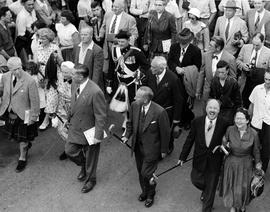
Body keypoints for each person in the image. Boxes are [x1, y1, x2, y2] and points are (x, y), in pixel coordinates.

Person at [178, 99, 230, 212]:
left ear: (219, 110)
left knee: (211, 188)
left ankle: (207, 206)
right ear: (206, 108)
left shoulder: (225, 123)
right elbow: (189, 140)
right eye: (210, 107)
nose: (212, 110)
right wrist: (182, 156)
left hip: (215, 161)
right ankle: (206, 191)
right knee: (195, 179)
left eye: (215, 108)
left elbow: (230, 137)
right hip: (199, 159)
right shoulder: (197, 122)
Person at [122, 86, 170, 208]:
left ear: (145, 99)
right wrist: (127, 135)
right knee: (140, 172)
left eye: (137, 96)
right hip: (138, 147)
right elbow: (130, 123)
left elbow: (165, 133)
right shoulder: (134, 105)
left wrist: (164, 150)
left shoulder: (160, 112)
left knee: (146, 173)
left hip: (152, 150)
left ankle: (151, 194)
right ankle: (144, 191)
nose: (134, 97)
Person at [65, 64, 106, 193]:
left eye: (73, 74)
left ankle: (90, 180)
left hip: (90, 129)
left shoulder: (95, 91)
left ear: (81, 76)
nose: (70, 76)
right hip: (75, 126)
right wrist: (68, 119)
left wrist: (97, 135)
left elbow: (101, 115)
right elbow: (74, 104)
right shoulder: (74, 84)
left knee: (91, 158)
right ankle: (83, 165)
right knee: (69, 151)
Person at [0, 57, 40, 172]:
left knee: (22, 139)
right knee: (16, 137)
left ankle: (22, 158)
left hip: (24, 114)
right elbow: (2, 91)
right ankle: (26, 144)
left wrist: (34, 117)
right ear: (9, 69)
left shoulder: (30, 80)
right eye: (14, 70)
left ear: (21, 66)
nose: (17, 72)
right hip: (9, 112)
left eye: (19, 68)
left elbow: (35, 101)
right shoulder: (6, 77)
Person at [221, 107, 262, 212]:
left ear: (247, 120)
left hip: (246, 164)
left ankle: (242, 205)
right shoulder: (230, 129)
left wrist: (258, 167)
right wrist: (225, 146)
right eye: (237, 118)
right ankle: (233, 207)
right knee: (232, 187)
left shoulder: (254, 133)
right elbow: (224, 144)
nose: (238, 121)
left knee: (243, 188)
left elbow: (256, 151)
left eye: (241, 118)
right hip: (231, 163)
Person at [146, 56, 183, 154]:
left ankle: (168, 147)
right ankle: (156, 149)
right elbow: (145, 87)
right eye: (151, 66)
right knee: (154, 131)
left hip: (166, 112)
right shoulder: (150, 73)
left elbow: (178, 100)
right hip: (152, 109)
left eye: (154, 67)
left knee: (166, 132)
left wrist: (176, 119)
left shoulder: (173, 78)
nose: (151, 69)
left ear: (162, 68)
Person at [168, 28, 202, 130]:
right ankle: (177, 118)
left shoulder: (196, 50)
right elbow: (170, 61)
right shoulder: (174, 47)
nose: (181, 45)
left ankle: (187, 119)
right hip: (174, 78)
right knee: (175, 99)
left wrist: (185, 70)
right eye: (180, 42)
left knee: (185, 100)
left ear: (189, 41)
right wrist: (176, 68)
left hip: (187, 80)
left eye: (184, 43)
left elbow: (197, 67)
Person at [196, 36, 236, 113]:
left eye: (211, 45)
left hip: (222, 95)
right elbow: (201, 73)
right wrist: (198, 90)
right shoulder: (205, 55)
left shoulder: (230, 58)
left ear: (218, 48)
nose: (208, 47)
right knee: (206, 114)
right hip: (207, 92)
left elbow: (233, 78)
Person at [99, 0, 138, 74]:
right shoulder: (108, 14)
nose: (113, 8)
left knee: (120, 70)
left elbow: (134, 34)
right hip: (108, 47)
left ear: (122, 8)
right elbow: (103, 26)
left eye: (116, 7)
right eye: (113, 6)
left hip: (121, 48)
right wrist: (101, 35)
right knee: (108, 71)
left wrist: (128, 45)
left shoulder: (130, 19)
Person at [236, 32, 270, 108]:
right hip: (245, 81)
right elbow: (238, 61)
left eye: (257, 45)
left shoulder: (268, 53)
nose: (254, 47)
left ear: (263, 42)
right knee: (244, 102)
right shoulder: (245, 47)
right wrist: (243, 65)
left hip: (259, 83)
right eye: (253, 44)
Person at [249, 70, 270, 172]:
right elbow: (251, 105)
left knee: (266, 152)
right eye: (266, 79)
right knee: (253, 149)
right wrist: (248, 120)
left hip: (268, 125)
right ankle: (250, 171)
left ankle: (261, 174)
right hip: (256, 123)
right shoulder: (257, 89)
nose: (267, 82)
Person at [73, 26, 104, 90]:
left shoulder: (97, 50)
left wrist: (92, 87)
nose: (83, 37)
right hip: (78, 80)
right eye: (81, 35)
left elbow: (96, 72)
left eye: (85, 35)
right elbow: (75, 64)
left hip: (89, 81)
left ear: (91, 36)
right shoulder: (76, 46)